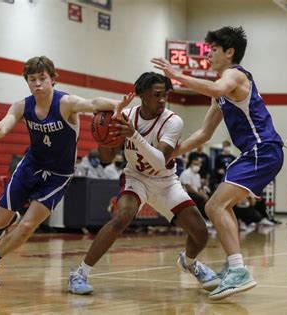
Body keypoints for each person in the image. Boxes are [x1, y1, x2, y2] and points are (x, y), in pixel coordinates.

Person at [0, 55, 134, 286]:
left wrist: (120, 105)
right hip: (30, 167)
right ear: (27, 82)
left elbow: (93, 103)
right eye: (32, 79)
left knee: (28, 226)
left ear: (53, 79)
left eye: (42, 78)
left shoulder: (65, 103)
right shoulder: (21, 106)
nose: (37, 83)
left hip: (58, 175)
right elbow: (1, 131)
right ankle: (6, 221)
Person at [152, 26, 284, 300]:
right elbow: (204, 133)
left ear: (229, 52)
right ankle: (232, 265)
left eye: (213, 49)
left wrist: (177, 75)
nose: (209, 54)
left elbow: (215, 86)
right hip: (256, 152)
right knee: (222, 206)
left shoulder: (234, 75)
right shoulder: (219, 92)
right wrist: (172, 152)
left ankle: (239, 271)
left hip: (263, 149)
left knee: (214, 205)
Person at [68, 72, 219, 295]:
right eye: (156, 95)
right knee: (122, 218)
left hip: (165, 182)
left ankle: (189, 263)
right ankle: (79, 273)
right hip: (135, 177)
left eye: (164, 95)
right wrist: (105, 134)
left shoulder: (173, 121)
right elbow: (107, 159)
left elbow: (160, 161)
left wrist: (134, 135)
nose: (162, 99)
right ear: (142, 96)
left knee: (201, 234)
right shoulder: (126, 116)